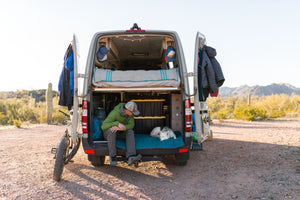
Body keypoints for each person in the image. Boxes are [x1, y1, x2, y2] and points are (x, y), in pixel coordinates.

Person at [101, 101, 142, 166]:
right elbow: (103, 126)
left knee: (130, 131)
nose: (133, 114)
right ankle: (113, 157)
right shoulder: (115, 113)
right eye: (132, 112)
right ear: (127, 110)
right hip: (109, 134)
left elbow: (132, 125)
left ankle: (131, 157)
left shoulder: (130, 115)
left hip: (120, 132)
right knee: (112, 131)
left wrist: (123, 127)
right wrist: (116, 124)